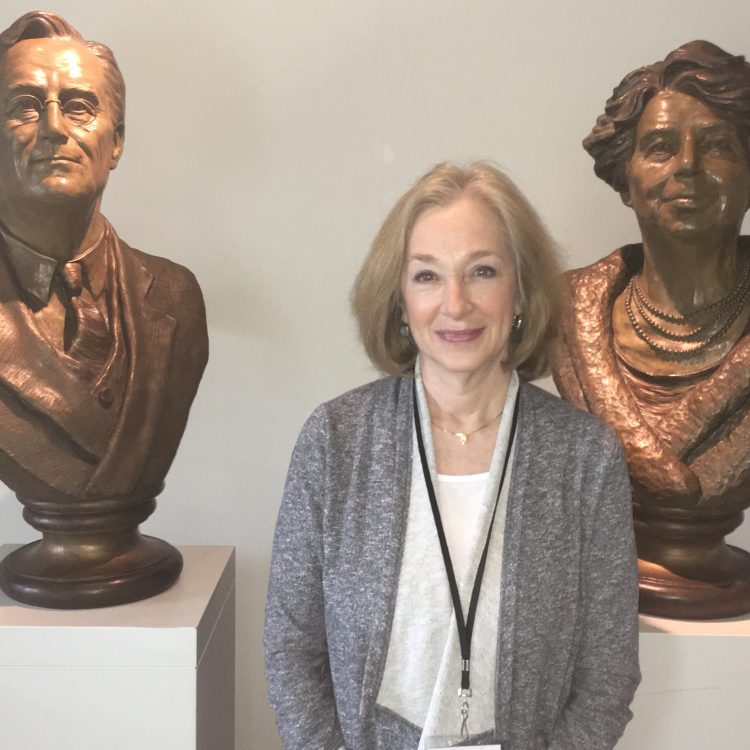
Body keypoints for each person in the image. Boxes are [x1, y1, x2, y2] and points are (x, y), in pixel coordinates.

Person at [265, 162, 639, 749]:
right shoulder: (335, 440)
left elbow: (608, 674)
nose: (456, 304)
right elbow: (291, 649)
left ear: (520, 291)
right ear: (399, 299)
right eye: (427, 277)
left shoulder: (585, 459)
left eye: (482, 271)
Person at [0, 12, 207, 604]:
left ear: (115, 141)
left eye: (80, 106)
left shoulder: (176, 298)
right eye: (25, 107)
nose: (54, 129)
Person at [551, 41, 750, 617]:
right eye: (660, 147)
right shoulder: (564, 313)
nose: (686, 166)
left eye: (717, 146)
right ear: (624, 178)